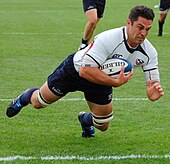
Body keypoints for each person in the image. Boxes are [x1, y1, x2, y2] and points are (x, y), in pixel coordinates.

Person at [6, 5, 164, 138]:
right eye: (140, 27)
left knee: (103, 124)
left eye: (148, 29)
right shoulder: (108, 38)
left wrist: (152, 93)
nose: (143, 33)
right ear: (129, 23)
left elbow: (153, 83)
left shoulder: (149, 52)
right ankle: (25, 96)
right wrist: (115, 82)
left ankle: (84, 120)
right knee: (38, 102)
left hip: (100, 80)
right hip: (75, 71)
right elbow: (85, 71)